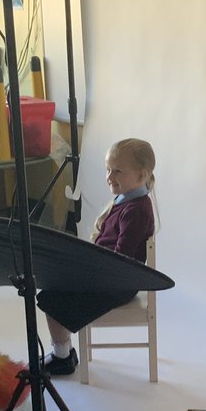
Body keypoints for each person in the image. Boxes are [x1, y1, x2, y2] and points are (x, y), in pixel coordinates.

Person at [37, 138, 157, 376]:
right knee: (51, 290)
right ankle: (64, 353)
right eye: (108, 170)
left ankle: (63, 357)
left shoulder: (136, 211)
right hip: (106, 275)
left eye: (118, 171)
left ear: (141, 175)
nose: (110, 176)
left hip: (117, 283)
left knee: (53, 297)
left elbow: (119, 259)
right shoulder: (127, 200)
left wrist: (86, 269)